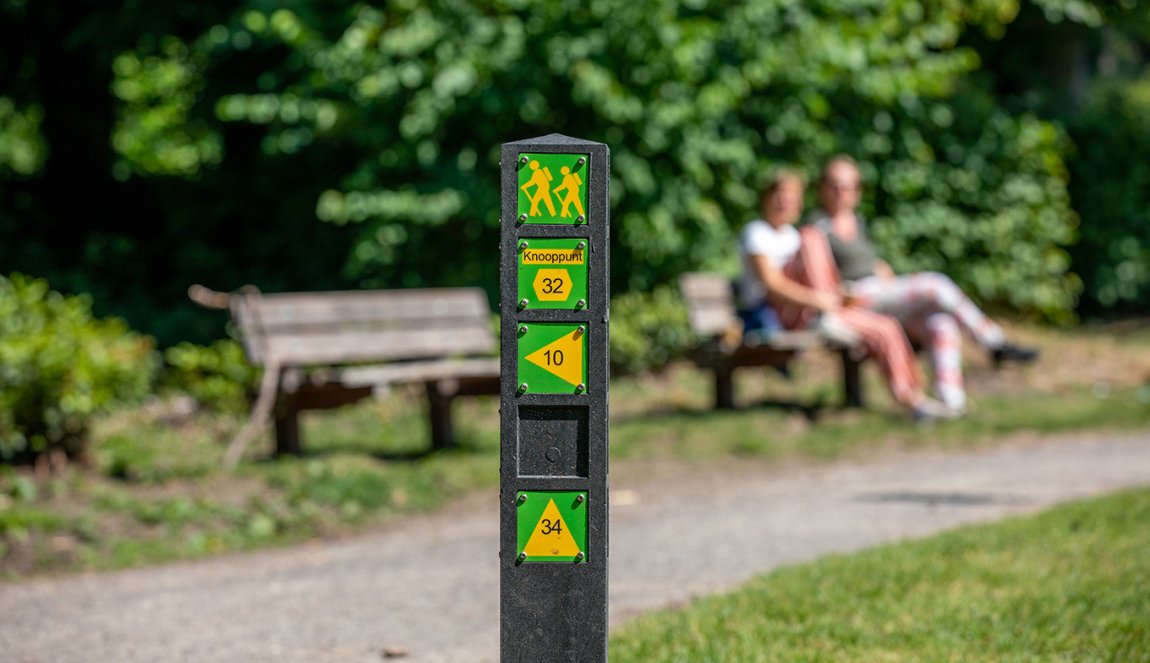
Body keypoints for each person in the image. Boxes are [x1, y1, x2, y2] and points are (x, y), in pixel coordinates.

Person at [806, 155, 1039, 414]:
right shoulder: (816, 228)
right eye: (835, 185)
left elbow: (874, 264)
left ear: (858, 190)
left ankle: (951, 404)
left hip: (880, 293)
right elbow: (818, 276)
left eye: (849, 185)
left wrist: (888, 278)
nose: (842, 192)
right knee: (935, 284)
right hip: (853, 298)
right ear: (822, 188)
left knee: (940, 322)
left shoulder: (858, 223)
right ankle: (994, 342)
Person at [738, 169, 957, 422]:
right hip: (780, 314)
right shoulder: (757, 232)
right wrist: (819, 300)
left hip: (819, 309)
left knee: (886, 328)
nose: (785, 202)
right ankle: (827, 314)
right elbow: (772, 285)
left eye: (792, 197)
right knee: (812, 236)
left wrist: (841, 295)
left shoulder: (791, 236)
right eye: (780, 195)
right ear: (766, 198)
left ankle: (915, 401)